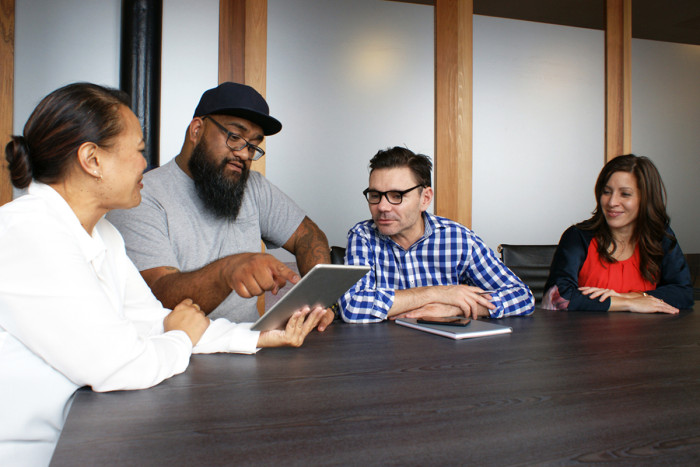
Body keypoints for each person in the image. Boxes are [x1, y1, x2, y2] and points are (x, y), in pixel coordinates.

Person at [0, 83, 326, 466]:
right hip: (36, 453)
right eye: (138, 150)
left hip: (86, 439)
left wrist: (256, 337)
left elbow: (152, 321)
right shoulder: (28, 232)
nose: (144, 162)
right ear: (92, 159)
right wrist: (181, 337)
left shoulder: (101, 233)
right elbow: (119, 364)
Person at [107, 82, 332, 328]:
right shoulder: (141, 196)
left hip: (250, 346)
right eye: (235, 137)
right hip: (180, 351)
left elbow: (309, 236)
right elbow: (157, 296)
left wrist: (318, 303)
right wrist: (229, 271)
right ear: (196, 130)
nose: (245, 154)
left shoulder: (253, 187)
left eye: (254, 145)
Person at [338, 147, 534, 323]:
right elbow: (353, 306)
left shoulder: (458, 239)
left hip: (448, 357)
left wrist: (454, 307)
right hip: (384, 353)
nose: (382, 206)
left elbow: (522, 296)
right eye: (375, 195)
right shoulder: (363, 236)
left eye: (397, 196)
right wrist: (438, 293)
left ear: (425, 199)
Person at [543, 154, 693, 313]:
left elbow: (683, 293)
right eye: (607, 192)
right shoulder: (577, 236)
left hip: (646, 335)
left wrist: (628, 296)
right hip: (584, 335)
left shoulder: (659, 236)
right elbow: (557, 298)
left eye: (625, 194)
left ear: (645, 199)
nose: (611, 202)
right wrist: (627, 303)